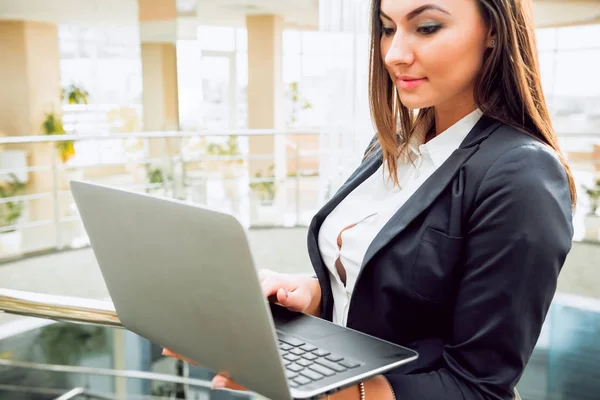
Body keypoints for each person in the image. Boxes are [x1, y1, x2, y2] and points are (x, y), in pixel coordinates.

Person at [165, 0, 575, 398]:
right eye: (387, 28)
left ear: (494, 30)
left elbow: (478, 388)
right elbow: (406, 298)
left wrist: (309, 384)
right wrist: (314, 295)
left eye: (427, 27)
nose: (394, 54)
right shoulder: (391, 148)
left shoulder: (521, 175)